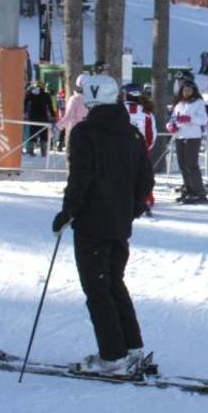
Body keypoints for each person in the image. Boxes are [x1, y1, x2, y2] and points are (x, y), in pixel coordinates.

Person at [52, 74, 154, 376]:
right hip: (119, 223)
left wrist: (68, 211)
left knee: (97, 288)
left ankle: (113, 356)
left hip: (93, 223)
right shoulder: (132, 134)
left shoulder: (86, 132)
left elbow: (81, 176)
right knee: (113, 283)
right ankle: (131, 346)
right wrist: (131, 209)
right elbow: (145, 179)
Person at [167, 79, 208, 204]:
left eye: (189, 90)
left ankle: (199, 192)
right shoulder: (178, 104)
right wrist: (170, 126)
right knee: (182, 165)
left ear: (193, 91)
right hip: (180, 136)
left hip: (193, 137)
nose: (187, 92)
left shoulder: (198, 103)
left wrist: (190, 118)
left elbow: (204, 119)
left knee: (192, 165)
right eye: (185, 90)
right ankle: (189, 189)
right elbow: (172, 119)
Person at [123, 83, 158, 212]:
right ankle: (145, 198)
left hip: (121, 150)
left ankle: (124, 198)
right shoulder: (146, 113)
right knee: (143, 175)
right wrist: (146, 148)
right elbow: (151, 135)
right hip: (141, 150)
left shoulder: (118, 110)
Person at [56, 74, 89, 159]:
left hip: (78, 132)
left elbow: (68, 117)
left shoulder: (75, 99)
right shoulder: (95, 99)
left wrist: (58, 127)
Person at [24, 82, 54, 156]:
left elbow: (25, 102)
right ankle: (43, 152)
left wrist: (25, 111)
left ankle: (31, 151)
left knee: (32, 133)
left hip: (33, 117)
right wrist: (53, 115)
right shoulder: (46, 95)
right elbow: (50, 106)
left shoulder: (30, 94)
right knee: (43, 134)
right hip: (43, 117)